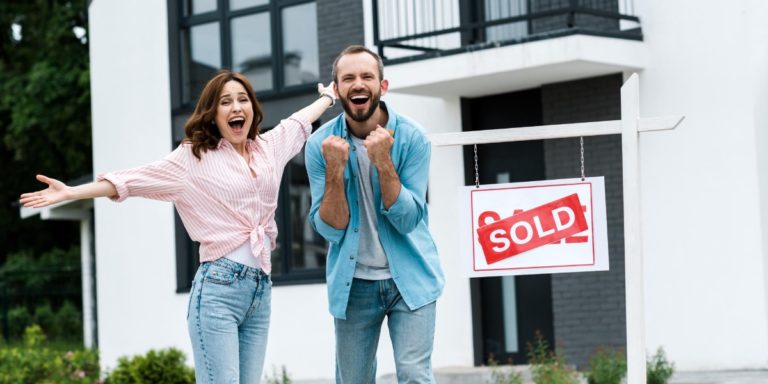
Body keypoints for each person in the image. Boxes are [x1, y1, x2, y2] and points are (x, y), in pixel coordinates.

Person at [20, 69, 336, 384]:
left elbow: (297, 121)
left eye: (243, 100)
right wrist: (71, 192)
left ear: (253, 109)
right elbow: (131, 180)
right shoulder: (192, 159)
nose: (236, 107)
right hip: (218, 291)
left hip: (260, 290)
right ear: (213, 115)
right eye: (226, 102)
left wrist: (328, 97)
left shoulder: (267, 149)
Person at [304, 45, 445, 383]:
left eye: (367, 76)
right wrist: (336, 171)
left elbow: (410, 219)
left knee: (413, 374)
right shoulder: (320, 145)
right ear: (336, 91)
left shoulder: (411, 138)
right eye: (348, 78)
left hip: (410, 276)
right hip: (353, 285)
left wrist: (383, 161)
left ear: (382, 86)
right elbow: (329, 230)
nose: (358, 84)